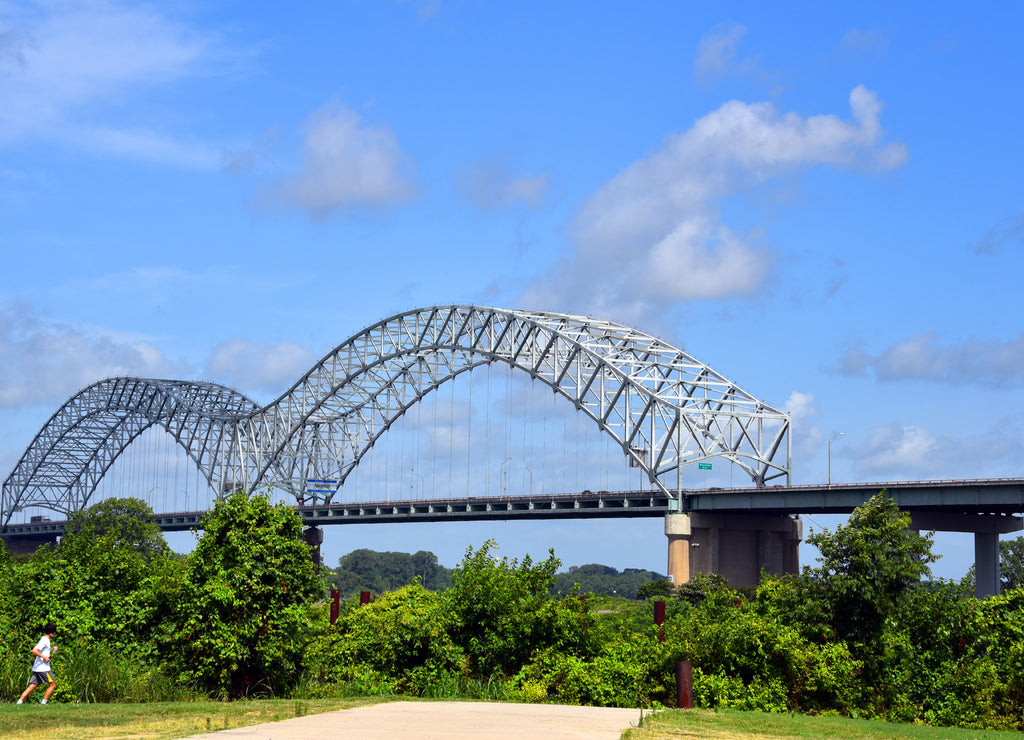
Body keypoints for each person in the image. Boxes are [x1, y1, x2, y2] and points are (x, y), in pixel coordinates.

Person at [16, 624, 58, 705]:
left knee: (32, 686)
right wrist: (44, 657)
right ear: (52, 633)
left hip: (37, 668)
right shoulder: (44, 640)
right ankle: (43, 703)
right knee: (52, 685)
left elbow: (43, 652)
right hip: (44, 669)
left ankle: (19, 703)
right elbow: (34, 650)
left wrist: (51, 650)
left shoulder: (45, 640)